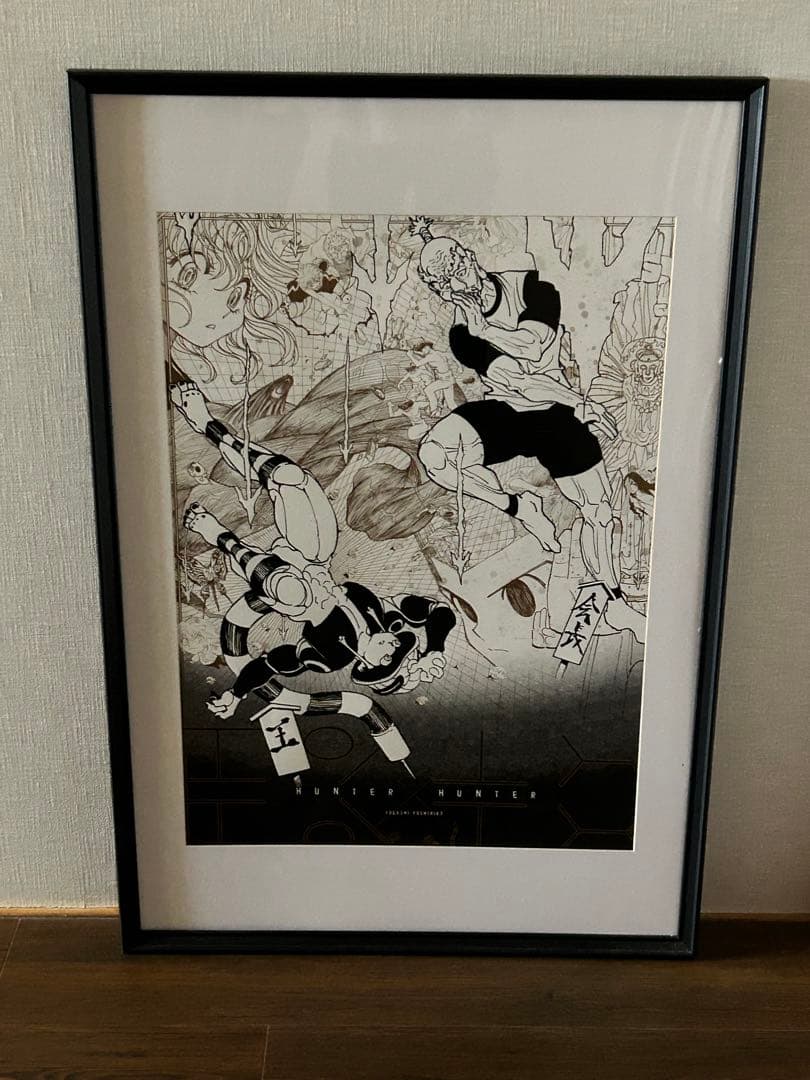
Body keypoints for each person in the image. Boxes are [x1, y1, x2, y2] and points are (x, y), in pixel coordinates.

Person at [411, 222, 645, 642]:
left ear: (469, 256)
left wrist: (577, 404)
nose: (458, 281)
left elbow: (532, 346)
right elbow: (515, 381)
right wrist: (583, 403)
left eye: (458, 265)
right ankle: (521, 507)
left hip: (556, 412)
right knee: (435, 455)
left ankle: (613, 597)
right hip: (508, 412)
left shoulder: (533, 287)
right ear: (441, 290)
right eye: (445, 281)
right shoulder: (460, 334)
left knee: (598, 512)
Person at [170, 382, 457, 724]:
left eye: (392, 655)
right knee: (290, 476)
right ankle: (206, 425)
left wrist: (236, 694)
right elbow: (440, 613)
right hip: (314, 557)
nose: (395, 643)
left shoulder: (329, 657)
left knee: (293, 592)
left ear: (369, 665)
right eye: (401, 646)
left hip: (284, 586)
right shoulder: (386, 617)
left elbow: (270, 664)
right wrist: (435, 649)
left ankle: (217, 534)